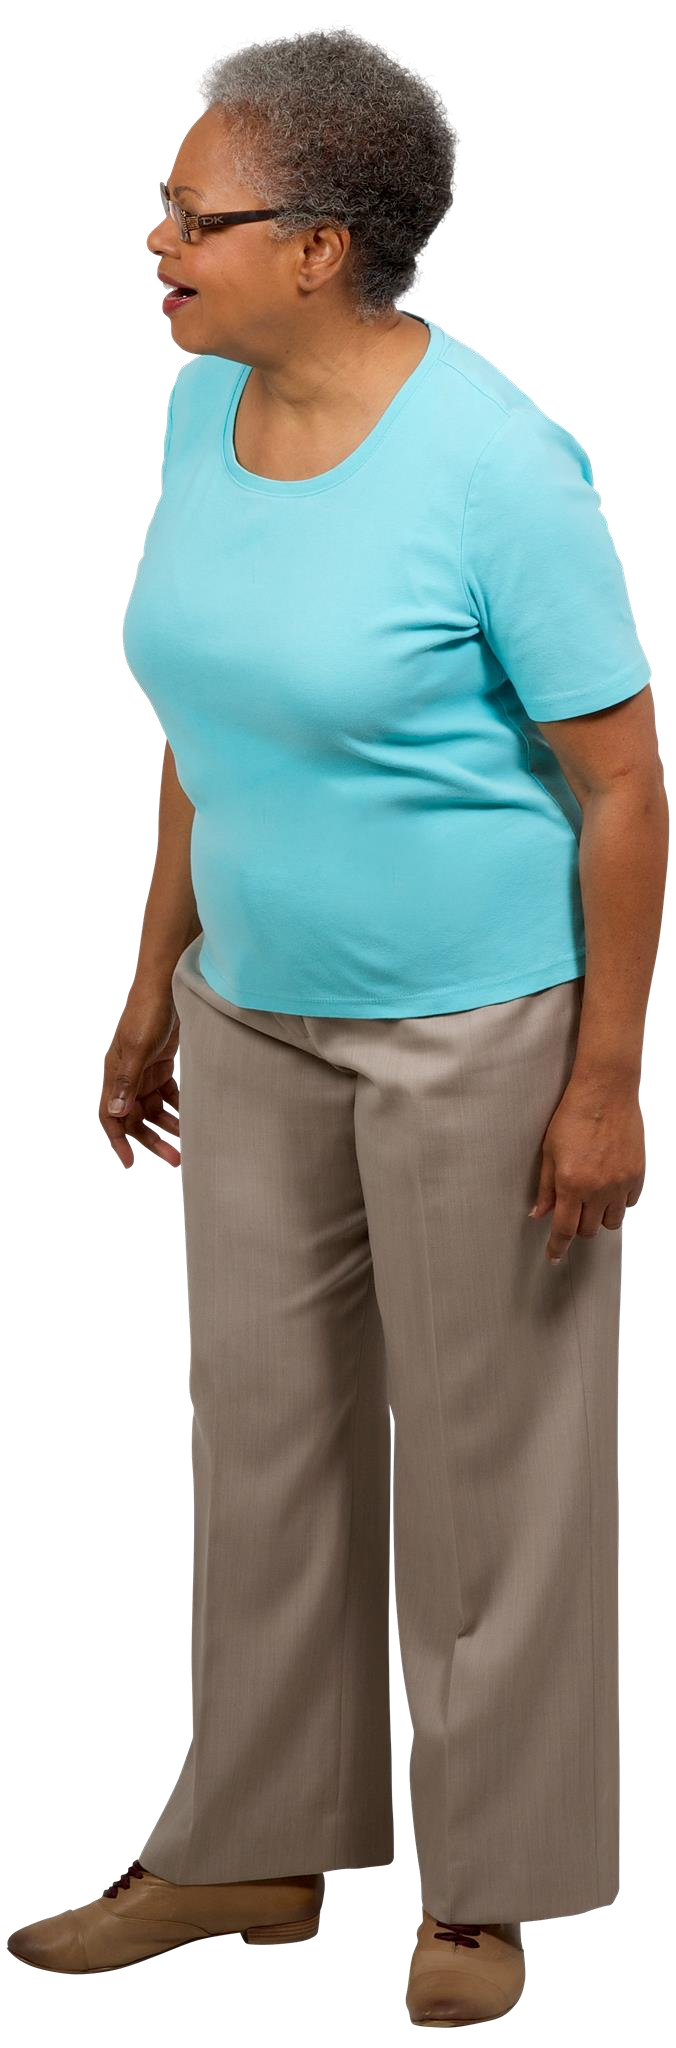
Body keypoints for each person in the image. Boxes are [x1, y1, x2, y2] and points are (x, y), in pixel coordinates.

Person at [8, 37, 667, 2021]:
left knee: (487, 1459)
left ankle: (484, 1894)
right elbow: (201, 728)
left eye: (191, 216)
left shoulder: (499, 466)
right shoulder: (200, 408)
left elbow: (623, 786)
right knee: (263, 1437)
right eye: (164, 206)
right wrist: (153, 981)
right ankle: (254, 1849)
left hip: (476, 1029)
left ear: (314, 246)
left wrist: (607, 1081)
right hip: (255, 1013)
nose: (157, 241)